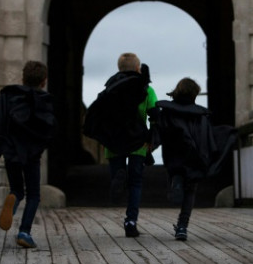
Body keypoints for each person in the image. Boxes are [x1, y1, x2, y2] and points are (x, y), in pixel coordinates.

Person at [0, 60, 58, 249]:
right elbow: (50, 129)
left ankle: (13, 198)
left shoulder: (8, 98)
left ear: (23, 78)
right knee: (34, 194)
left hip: (11, 154)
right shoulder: (43, 101)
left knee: (17, 189)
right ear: (44, 81)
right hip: (32, 156)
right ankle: (24, 232)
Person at [150, 78, 236, 241]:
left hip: (174, 157)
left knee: (176, 173)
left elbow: (159, 133)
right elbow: (207, 137)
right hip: (193, 160)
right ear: (194, 94)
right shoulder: (201, 115)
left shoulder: (167, 112)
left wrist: (149, 149)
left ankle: (175, 183)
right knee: (190, 191)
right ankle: (182, 226)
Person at [83, 52, 156, 237]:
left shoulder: (110, 87)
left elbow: (101, 114)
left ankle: (118, 176)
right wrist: (152, 140)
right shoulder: (146, 89)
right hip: (138, 142)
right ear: (139, 69)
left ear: (119, 69)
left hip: (114, 143)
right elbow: (155, 115)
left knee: (119, 174)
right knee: (136, 183)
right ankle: (131, 221)